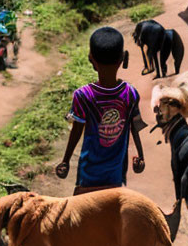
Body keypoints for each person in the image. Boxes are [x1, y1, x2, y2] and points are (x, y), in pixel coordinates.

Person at [56, 26, 145, 195]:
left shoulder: (83, 95)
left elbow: (77, 130)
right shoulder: (130, 93)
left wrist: (65, 161)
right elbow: (135, 126)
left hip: (89, 174)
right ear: (123, 58)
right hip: (116, 174)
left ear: (91, 60)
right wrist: (140, 156)